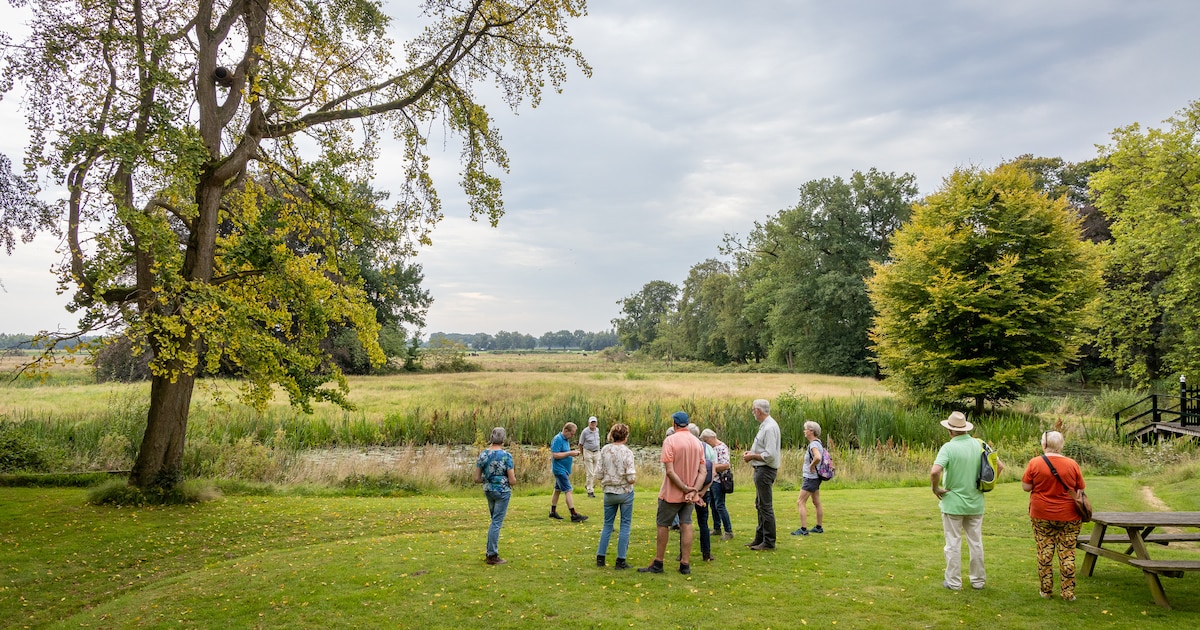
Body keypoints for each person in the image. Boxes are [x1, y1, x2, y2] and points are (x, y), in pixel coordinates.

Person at [931, 411, 1004, 590]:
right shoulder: (980, 444)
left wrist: (935, 488)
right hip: (976, 501)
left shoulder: (948, 448)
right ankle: (978, 581)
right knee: (976, 542)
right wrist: (986, 485)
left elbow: (935, 471)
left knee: (953, 543)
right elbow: (999, 466)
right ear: (965, 429)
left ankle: (954, 582)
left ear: (950, 431)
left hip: (952, 502)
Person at [639, 411, 707, 575]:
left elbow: (670, 471)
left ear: (674, 424)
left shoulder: (670, 441)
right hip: (690, 494)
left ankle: (659, 562)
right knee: (687, 524)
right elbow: (703, 471)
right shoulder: (697, 443)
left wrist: (684, 488)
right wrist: (694, 490)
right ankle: (685, 564)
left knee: (663, 525)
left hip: (671, 493)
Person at [1022, 430, 1086, 601]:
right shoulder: (1072, 464)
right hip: (1069, 516)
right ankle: (1068, 593)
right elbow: (1080, 489)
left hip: (1041, 514)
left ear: (1044, 445)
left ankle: (1046, 590)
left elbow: (1026, 487)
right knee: (1068, 553)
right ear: (1061, 445)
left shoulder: (1035, 463)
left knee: (1044, 552)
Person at [596, 422, 637, 569]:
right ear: (625, 436)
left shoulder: (604, 450)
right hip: (625, 492)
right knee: (625, 525)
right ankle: (621, 560)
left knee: (607, 525)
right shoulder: (627, 452)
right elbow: (631, 477)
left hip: (609, 491)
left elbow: (599, 474)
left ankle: (600, 557)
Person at [474, 427, 516, 565]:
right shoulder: (506, 456)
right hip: (502, 491)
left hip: (488, 490)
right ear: (503, 439)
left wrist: (488, 479)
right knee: (496, 522)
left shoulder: (483, 455)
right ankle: (491, 554)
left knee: (494, 521)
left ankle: (491, 550)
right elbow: (512, 480)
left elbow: (476, 478)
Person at [743, 399, 781, 550]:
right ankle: (760, 538)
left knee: (765, 506)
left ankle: (769, 541)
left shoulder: (769, 427)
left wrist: (752, 456)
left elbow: (770, 454)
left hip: (765, 470)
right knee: (759, 505)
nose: (753, 413)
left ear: (758, 411)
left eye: (753, 410)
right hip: (761, 469)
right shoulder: (765, 426)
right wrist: (752, 453)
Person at [687, 423, 716, 562]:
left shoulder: (686, 447)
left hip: (688, 490)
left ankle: (682, 554)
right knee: (703, 523)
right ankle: (706, 553)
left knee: (685, 522)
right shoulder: (708, 448)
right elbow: (713, 472)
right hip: (705, 490)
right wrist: (704, 490)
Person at [792, 420, 826, 536]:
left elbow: (817, 457)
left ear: (811, 431)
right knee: (816, 502)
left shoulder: (813, 444)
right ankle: (818, 527)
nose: (804, 431)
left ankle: (803, 529)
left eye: (806, 429)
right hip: (816, 477)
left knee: (800, 502)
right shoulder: (819, 442)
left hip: (811, 478)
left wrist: (811, 466)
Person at [550, 422, 587, 522]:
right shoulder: (558, 439)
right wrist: (570, 453)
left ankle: (552, 511)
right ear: (566, 431)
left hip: (564, 469)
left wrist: (571, 452)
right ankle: (573, 514)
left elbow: (563, 452)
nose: (572, 436)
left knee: (557, 490)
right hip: (559, 469)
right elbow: (555, 455)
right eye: (572, 433)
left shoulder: (565, 440)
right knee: (568, 490)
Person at [701, 428, 733, 541]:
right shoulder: (712, 448)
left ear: (710, 438)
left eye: (705, 440)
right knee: (713, 505)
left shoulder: (721, 448)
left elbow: (726, 465)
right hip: (713, 480)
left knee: (720, 505)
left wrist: (710, 467)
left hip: (719, 480)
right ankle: (717, 527)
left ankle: (728, 531)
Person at [580, 416, 602, 498]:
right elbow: (580, 444)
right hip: (587, 452)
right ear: (589, 423)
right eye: (591, 422)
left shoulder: (597, 430)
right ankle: (590, 491)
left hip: (597, 452)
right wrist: (583, 454)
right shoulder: (585, 432)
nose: (593, 424)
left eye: (594, 422)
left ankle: (587, 485)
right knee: (590, 473)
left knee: (595, 472)